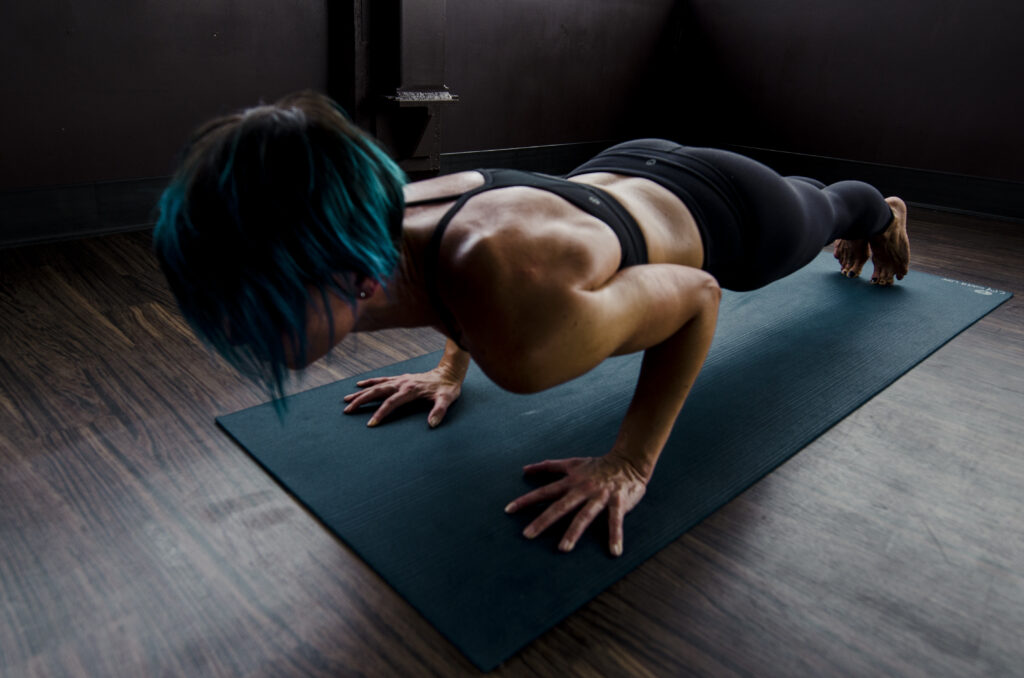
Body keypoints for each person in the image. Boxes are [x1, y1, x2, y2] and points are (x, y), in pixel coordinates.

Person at [153, 91, 909, 557]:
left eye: (258, 309)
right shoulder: (389, 224)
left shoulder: (522, 338)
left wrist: (630, 463)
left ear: (355, 279)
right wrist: (450, 368)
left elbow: (699, 296)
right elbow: (458, 274)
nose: (236, 332)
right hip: (622, 170)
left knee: (834, 207)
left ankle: (888, 211)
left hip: (735, 216)